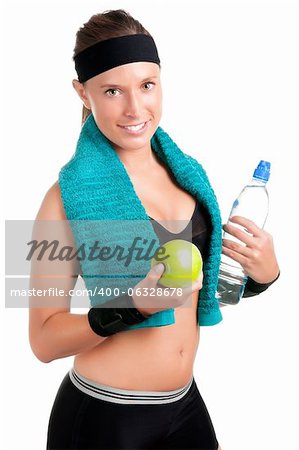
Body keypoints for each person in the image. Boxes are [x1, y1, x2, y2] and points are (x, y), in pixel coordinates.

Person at [29, 9, 280, 450]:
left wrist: (262, 277)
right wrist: (131, 308)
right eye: (112, 91)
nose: (135, 109)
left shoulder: (188, 175)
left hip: (185, 408)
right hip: (105, 421)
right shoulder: (61, 199)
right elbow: (43, 341)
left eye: (147, 85)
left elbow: (198, 292)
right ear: (82, 94)